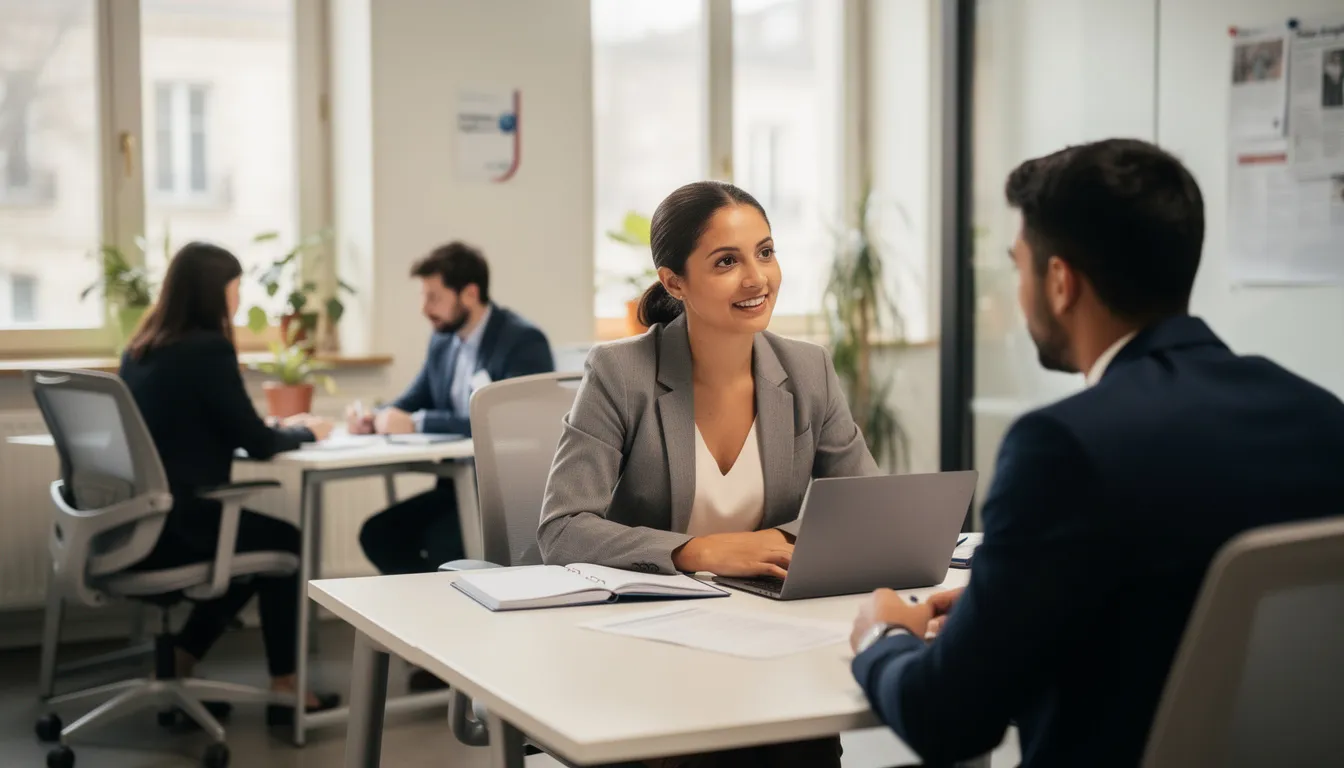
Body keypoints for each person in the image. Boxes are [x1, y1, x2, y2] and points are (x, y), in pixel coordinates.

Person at [848, 139, 1344, 767]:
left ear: (1060, 282)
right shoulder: (1322, 417)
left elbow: (947, 718)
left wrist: (882, 634)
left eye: (1019, 266)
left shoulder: (1062, 449)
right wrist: (1001, 604)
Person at [539, 181, 879, 767]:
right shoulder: (621, 373)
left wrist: (779, 545)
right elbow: (562, 528)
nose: (757, 278)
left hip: (776, 642)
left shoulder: (808, 370)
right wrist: (700, 550)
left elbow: (865, 508)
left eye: (765, 252)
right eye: (727, 261)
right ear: (674, 282)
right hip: (651, 648)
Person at [120, 242, 339, 725]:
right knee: (284, 543)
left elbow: (204, 427)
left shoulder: (140, 350)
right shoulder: (207, 349)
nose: (238, 299)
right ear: (212, 293)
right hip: (177, 527)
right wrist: (308, 430)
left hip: (128, 525)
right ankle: (286, 687)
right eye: (235, 287)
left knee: (246, 547)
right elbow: (257, 442)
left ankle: (183, 655)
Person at [354, 242, 554, 581]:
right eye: (423, 297)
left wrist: (418, 424)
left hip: (504, 498)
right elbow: (414, 397)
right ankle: (425, 619)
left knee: (441, 543)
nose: (424, 308)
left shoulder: (521, 341)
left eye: (434, 297)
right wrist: (374, 417)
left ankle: (451, 616)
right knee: (378, 534)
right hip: (454, 489)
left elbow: (508, 423)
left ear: (470, 294)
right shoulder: (443, 341)